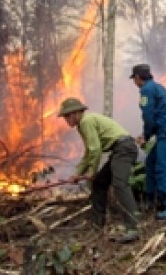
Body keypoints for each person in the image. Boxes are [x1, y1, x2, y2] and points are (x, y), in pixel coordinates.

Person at [58, 97, 140, 243]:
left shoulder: (86, 121)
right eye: (65, 117)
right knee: (99, 183)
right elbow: (89, 152)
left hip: (124, 148)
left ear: (76, 113)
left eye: (67, 115)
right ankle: (97, 226)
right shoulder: (83, 124)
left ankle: (133, 227)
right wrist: (77, 173)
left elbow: (95, 150)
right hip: (119, 150)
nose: (66, 119)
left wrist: (91, 172)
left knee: (120, 184)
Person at [130, 63, 166, 220]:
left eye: (134, 79)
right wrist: (146, 134)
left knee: (162, 168)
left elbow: (149, 116)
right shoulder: (157, 87)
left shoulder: (146, 90)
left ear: (138, 78)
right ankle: (152, 199)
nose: (135, 82)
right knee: (151, 162)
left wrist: (146, 137)